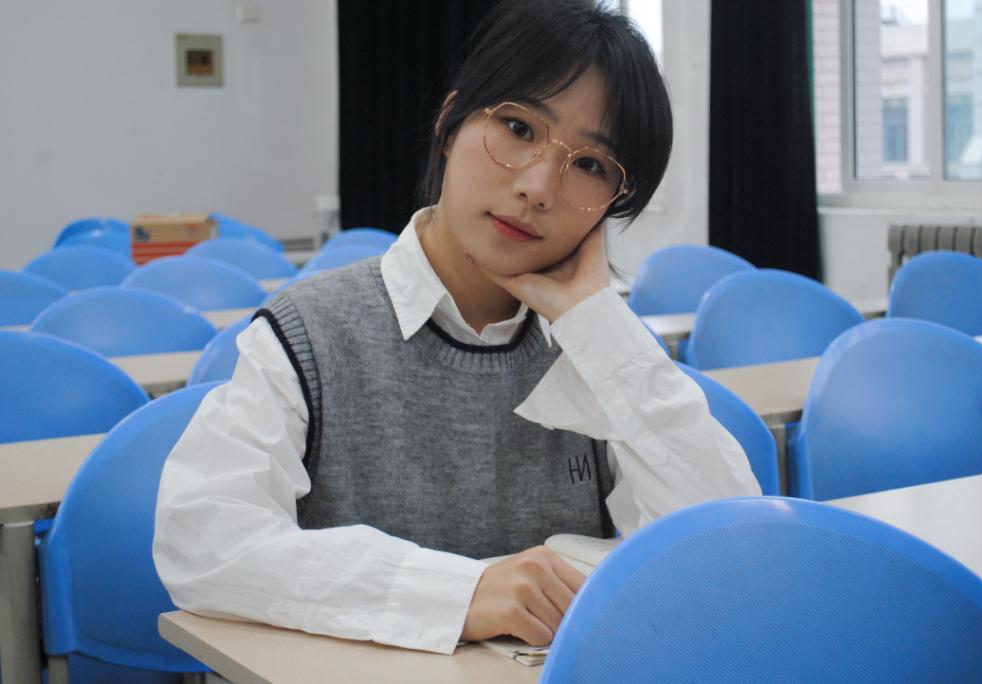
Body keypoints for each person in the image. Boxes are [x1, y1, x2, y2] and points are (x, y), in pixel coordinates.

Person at [153, 0, 759, 656]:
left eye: (590, 166)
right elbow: (202, 541)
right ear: (449, 124)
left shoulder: (595, 351)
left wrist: (601, 329)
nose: (539, 187)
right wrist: (459, 593)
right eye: (518, 128)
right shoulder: (308, 334)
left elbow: (731, 551)